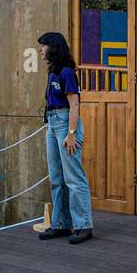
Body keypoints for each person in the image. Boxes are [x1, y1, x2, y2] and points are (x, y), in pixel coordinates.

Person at [36, 31, 93, 245]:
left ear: (53, 47)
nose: (40, 50)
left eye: (43, 45)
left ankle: (83, 225)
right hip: (52, 123)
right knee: (56, 178)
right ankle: (60, 223)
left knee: (74, 178)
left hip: (65, 123)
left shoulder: (67, 72)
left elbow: (74, 104)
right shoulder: (53, 72)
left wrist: (71, 134)